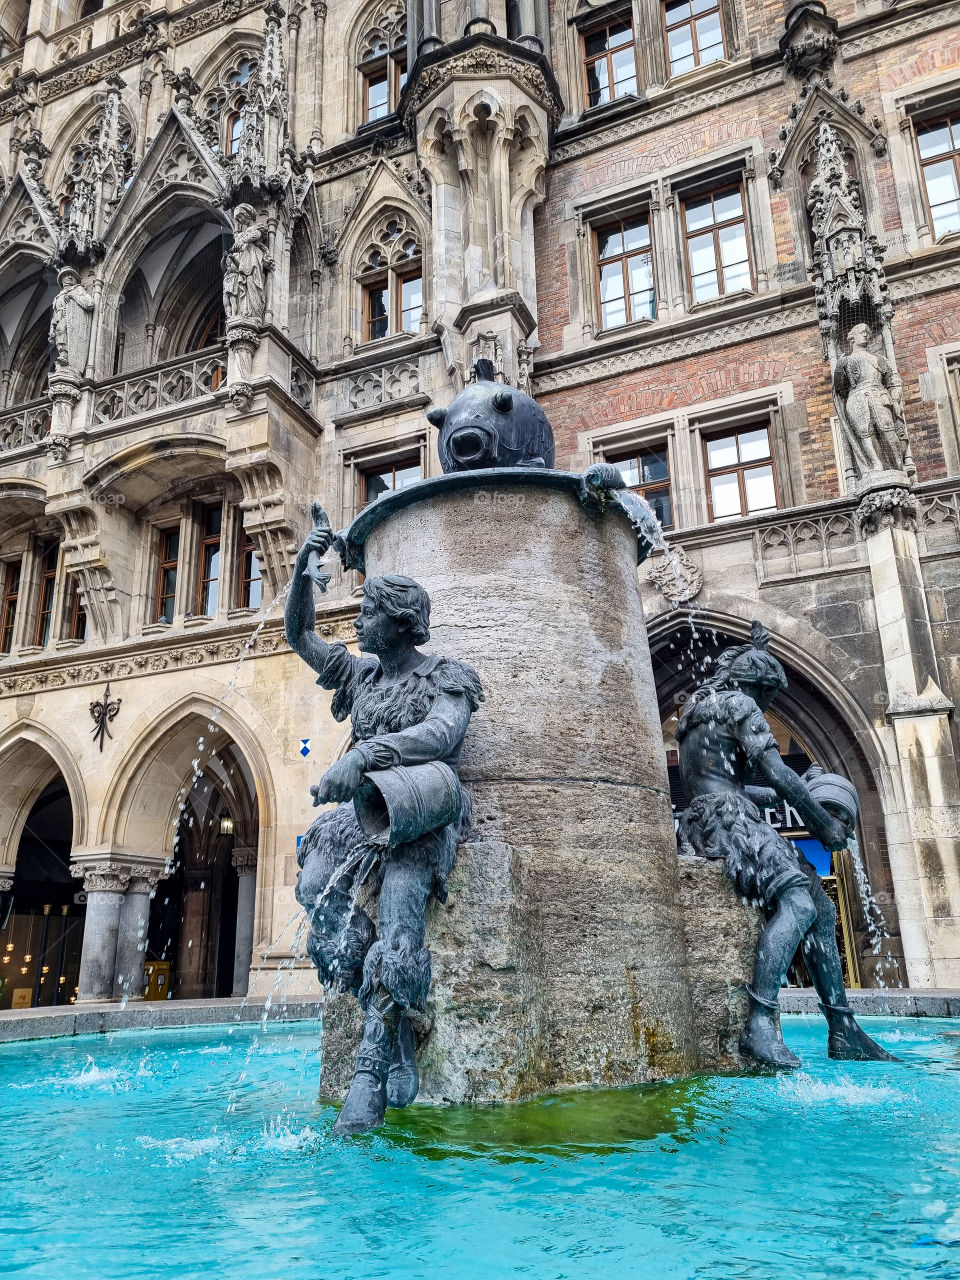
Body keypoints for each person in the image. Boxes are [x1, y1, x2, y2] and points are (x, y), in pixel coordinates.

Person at [285, 518, 483, 1135]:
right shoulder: (360, 675)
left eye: (368, 612)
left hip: (419, 812)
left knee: (401, 912)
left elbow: (443, 736)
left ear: (400, 620)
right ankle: (391, 1011)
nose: (358, 623)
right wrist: (300, 576)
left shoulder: (444, 675)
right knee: (315, 891)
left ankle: (371, 1063)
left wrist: (365, 756)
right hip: (362, 811)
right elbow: (300, 634)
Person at [676, 622, 894, 1068]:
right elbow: (776, 773)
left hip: (707, 819)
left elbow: (726, 785)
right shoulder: (739, 705)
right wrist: (823, 827)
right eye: (768, 698)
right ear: (754, 686)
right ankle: (759, 1021)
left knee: (824, 904)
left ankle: (843, 1026)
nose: (768, 707)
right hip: (730, 824)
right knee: (801, 904)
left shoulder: (697, 710)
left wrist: (779, 795)